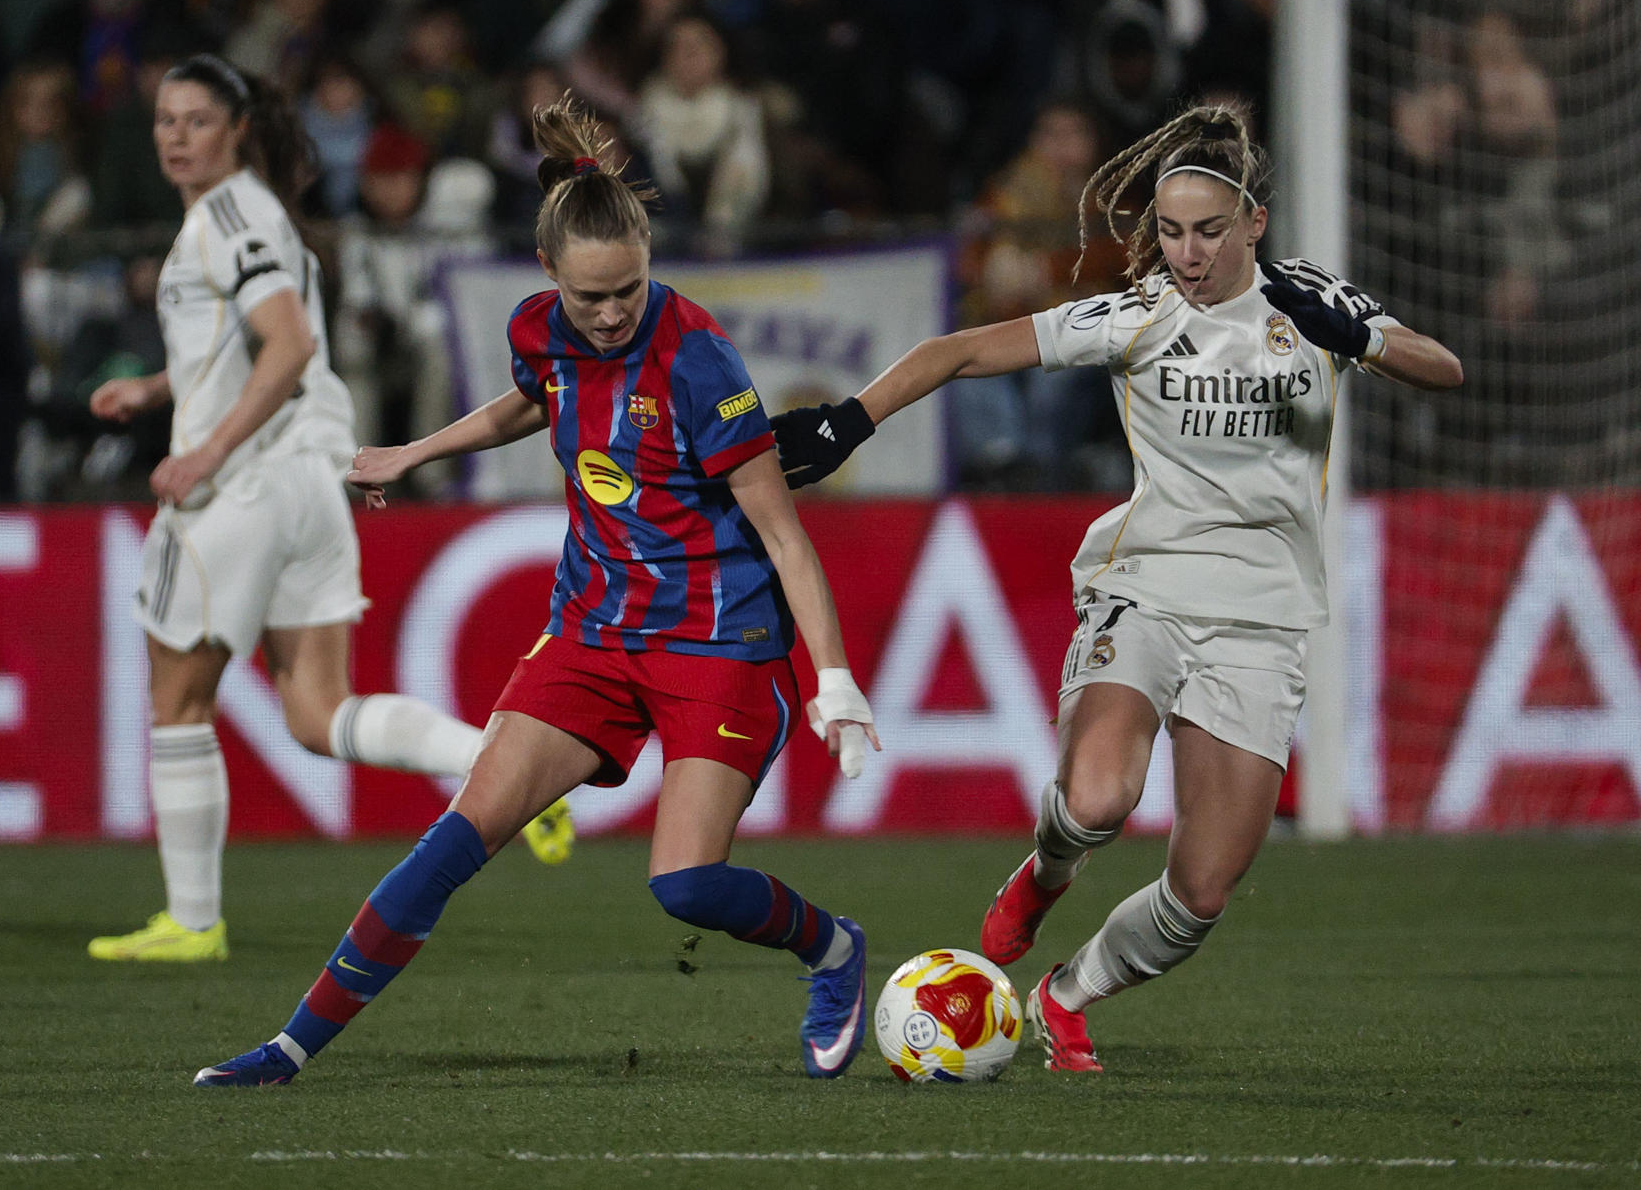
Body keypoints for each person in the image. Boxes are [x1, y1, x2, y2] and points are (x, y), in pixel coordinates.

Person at [192, 94, 880, 1086]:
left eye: (628, 290)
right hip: (592, 633)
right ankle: (290, 1047)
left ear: (649, 260)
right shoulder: (541, 330)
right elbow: (532, 396)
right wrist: (416, 451)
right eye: (589, 296)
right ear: (549, 270)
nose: (610, 314)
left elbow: (782, 531)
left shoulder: (699, 361)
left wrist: (835, 679)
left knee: (686, 885)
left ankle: (833, 946)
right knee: (452, 841)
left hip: (718, 642)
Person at [771, 103, 1463, 1072]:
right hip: (1146, 586)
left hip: (1263, 616)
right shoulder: (1138, 313)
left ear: (1255, 222)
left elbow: (1445, 366)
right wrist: (850, 418)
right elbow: (960, 349)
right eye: (1171, 230)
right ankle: (1049, 867)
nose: (1187, 252)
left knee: (1203, 891)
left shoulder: (1311, 299)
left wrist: (1363, 336)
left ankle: (1068, 991)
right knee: (1097, 798)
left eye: (1209, 231)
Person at [83, 54, 573, 965]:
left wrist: (205, 451)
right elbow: (244, 349)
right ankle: (493, 763)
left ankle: (192, 920)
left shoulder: (229, 216)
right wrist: (155, 388)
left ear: (237, 130)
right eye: (166, 120)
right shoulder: (260, 218)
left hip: (245, 484)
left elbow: (290, 343)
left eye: (197, 120)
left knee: (178, 697)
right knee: (318, 711)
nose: (177, 137)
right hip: (311, 482)